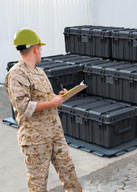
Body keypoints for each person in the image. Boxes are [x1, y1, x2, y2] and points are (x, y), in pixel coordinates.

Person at [5, 28, 82, 192]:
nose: (41, 52)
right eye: (40, 48)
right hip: (36, 140)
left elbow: (45, 98)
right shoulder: (16, 74)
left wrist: (59, 96)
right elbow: (23, 107)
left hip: (55, 133)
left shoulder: (40, 72)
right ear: (35, 48)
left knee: (70, 174)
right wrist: (52, 103)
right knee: (38, 184)